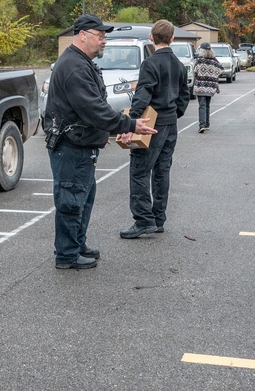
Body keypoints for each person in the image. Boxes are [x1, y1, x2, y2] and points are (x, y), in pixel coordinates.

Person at [43, 14, 156, 269]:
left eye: (105, 36)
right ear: (82, 35)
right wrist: (128, 124)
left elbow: (94, 107)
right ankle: (67, 255)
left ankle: (76, 244)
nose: (104, 41)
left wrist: (102, 133)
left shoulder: (83, 62)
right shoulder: (73, 66)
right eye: (100, 36)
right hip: (69, 146)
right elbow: (92, 108)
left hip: (80, 144)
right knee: (71, 200)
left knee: (82, 197)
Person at [119, 20, 190, 239]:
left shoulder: (150, 64)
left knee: (140, 170)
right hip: (170, 124)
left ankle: (143, 220)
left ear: (151, 37)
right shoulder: (178, 64)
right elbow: (184, 96)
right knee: (162, 171)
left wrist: (131, 122)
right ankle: (158, 218)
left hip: (151, 123)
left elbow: (142, 94)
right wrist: (174, 114)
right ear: (172, 39)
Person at [191, 43, 221, 133]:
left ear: (202, 51)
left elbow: (195, 71)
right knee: (207, 105)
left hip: (201, 86)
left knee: (202, 106)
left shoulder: (199, 60)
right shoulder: (214, 61)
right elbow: (220, 70)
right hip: (211, 87)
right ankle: (207, 123)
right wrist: (212, 76)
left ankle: (202, 125)